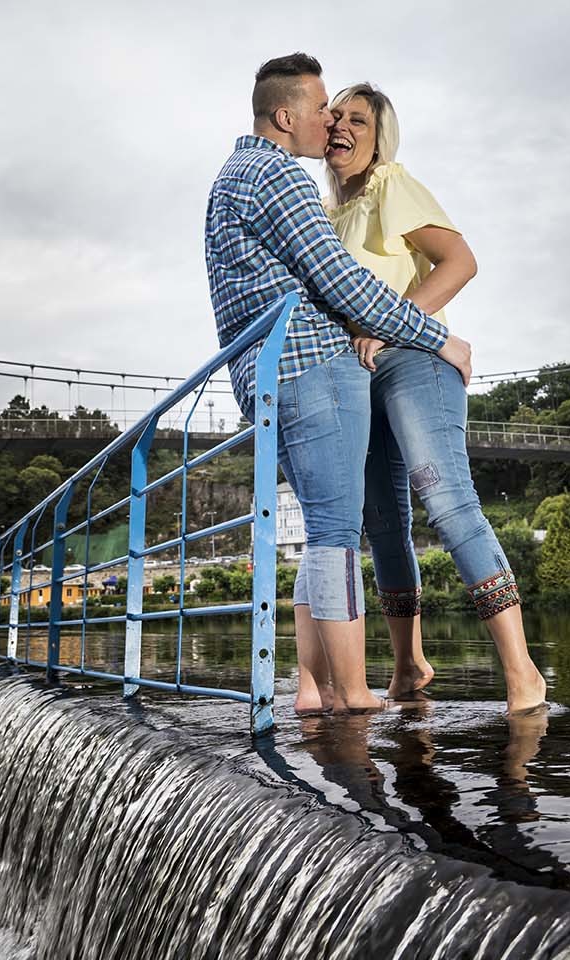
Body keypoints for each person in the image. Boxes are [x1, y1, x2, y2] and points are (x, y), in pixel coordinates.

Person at [204, 53, 474, 714]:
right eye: (322, 109)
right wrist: (439, 336)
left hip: (263, 373)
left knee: (323, 526)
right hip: (317, 368)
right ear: (287, 115)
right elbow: (343, 282)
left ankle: (308, 689)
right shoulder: (281, 179)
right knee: (333, 533)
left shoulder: (228, 178)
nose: (328, 122)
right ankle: (352, 694)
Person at [317, 81, 547, 712]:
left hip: (414, 361)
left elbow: (460, 261)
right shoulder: (328, 216)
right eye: (334, 118)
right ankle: (409, 667)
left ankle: (524, 673)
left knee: (446, 502)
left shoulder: (392, 184)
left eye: (357, 121)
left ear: (379, 136)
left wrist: (392, 322)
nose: (342, 129)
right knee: (384, 527)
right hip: (355, 378)